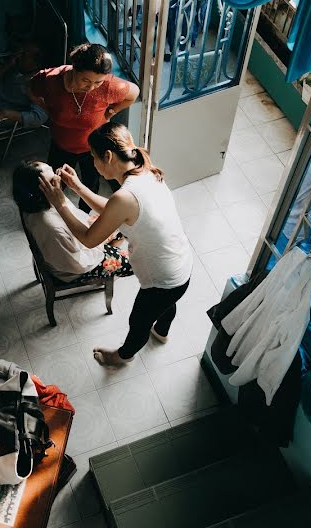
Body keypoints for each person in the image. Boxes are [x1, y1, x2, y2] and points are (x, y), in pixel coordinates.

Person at [38, 123, 192, 366]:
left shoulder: (125, 196)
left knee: (138, 322)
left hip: (163, 279)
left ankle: (123, 356)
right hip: (182, 263)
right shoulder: (146, 171)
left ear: (107, 156)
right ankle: (162, 332)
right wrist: (78, 187)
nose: (92, 163)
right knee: (166, 305)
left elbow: (89, 239)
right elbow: (115, 211)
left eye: (93, 157)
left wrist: (60, 203)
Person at [29, 43, 139, 212]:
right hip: (62, 145)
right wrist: (47, 109)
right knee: (55, 181)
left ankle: (83, 215)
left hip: (93, 148)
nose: (91, 87)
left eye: (98, 82)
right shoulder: (50, 80)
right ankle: (49, 210)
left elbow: (134, 92)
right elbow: (31, 89)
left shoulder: (108, 86)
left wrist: (111, 112)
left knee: (90, 185)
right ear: (74, 69)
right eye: (85, 80)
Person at [13, 161, 132, 282]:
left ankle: (109, 261)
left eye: (54, 172)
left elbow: (76, 215)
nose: (58, 178)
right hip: (77, 266)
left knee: (120, 223)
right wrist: (99, 247)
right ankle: (105, 273)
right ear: (43, 191)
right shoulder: (53, 228)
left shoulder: (35, 201)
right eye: (53, 180)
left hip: (75, 243)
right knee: (132, 263)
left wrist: (76, 186)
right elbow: (78, 265)